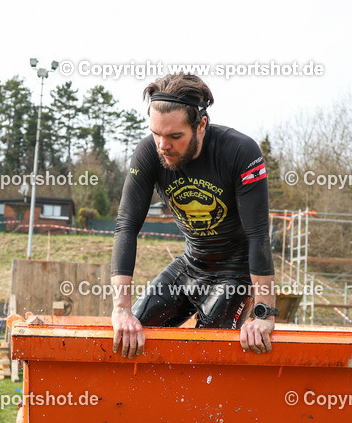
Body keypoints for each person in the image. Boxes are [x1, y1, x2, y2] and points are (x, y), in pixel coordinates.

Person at [111, 74, 278, 358]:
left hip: (235, 274)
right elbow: (126, 226)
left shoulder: (239, 152)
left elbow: (258, 234)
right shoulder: (149, 152)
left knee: (203, 353)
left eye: (175, 137)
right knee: (131, 335)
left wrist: (264, 314)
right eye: (156, 134)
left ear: (201, 125)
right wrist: (121, 310)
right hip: (190, 265)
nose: (163, 145)